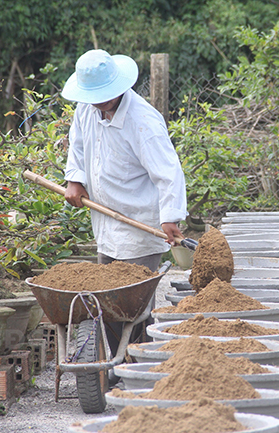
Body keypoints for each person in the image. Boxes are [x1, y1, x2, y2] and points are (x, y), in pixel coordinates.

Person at [60, 49, 188, 348]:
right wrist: (74, 180)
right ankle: (113, 373)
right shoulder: (86, 109)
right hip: (105, 221)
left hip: (139, 226)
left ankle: (139, 368)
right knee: (109, 304)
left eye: (103, 96)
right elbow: (77, 148)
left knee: (134, 309)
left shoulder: (142, 121)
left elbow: (169, 172)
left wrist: (170, 216)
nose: (97, 102)